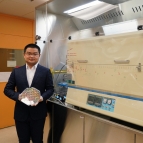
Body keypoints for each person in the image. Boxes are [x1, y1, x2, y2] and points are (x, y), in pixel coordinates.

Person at [4, 43, 54, 143]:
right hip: (21, 113)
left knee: (38, 139)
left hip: (38, 113)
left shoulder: (45, 71)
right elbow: (7, 89)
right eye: (29, 53)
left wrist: (41, 98)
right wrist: (19, 96)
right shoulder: (16, 71)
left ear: (39, 55)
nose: (31, 56)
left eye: (35, 54)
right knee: (23, 140)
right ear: (24, 55)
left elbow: (50, 89)